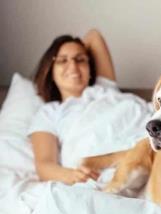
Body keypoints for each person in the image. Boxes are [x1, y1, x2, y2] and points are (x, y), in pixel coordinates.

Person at [29, 29, 116, 185]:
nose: (73, 65)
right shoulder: (50, 112)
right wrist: (72, 175)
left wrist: (73, 49)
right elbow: (44, 164)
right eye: (62, 61)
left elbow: (94, 36)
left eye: (80, 59)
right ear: (51, 71)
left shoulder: (105, 89)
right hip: (103, 168)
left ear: (90, 69)